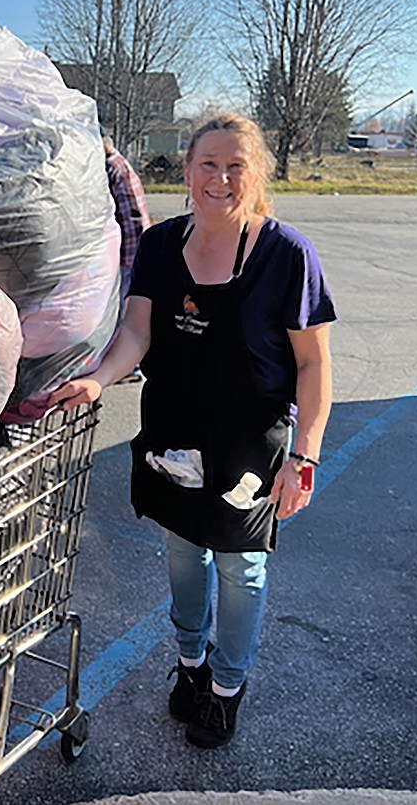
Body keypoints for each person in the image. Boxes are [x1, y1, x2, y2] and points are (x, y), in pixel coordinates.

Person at [49, 112, 335, 748]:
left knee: (240, 567)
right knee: (183, 550)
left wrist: (306, 455)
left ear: (254, 174)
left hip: (248, 445)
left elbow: (314, 363)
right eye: (209, 164)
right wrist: (99, 379)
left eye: (236, 165)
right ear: (187, 171)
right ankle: (189, 666)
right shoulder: (158, 246)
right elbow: (136, 333)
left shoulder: (286, 255)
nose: (221, 178)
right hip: (173, 433)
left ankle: (226, 689)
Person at [103, 133, 150, 382]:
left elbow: (125, 214)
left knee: (126, 312)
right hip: (134, 247)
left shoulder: (112, 167)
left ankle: (130, 366)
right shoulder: (119, 164)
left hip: (131, 249)